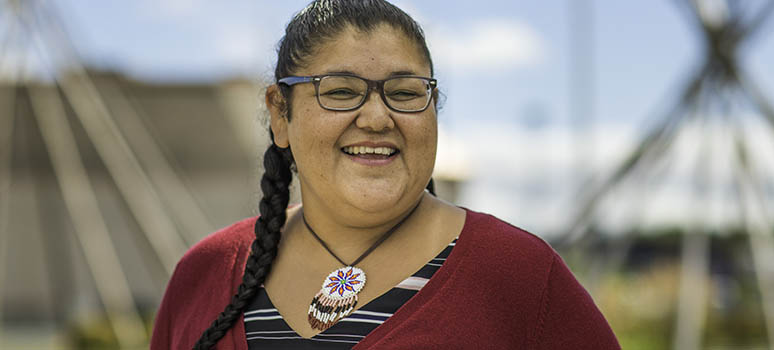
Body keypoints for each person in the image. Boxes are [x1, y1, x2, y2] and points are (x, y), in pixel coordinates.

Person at [150, 1, 620, 349]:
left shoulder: (519, 276)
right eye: (339, 90)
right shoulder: (204, 273)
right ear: (280, 113)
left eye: (404, 91)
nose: (377, 117)